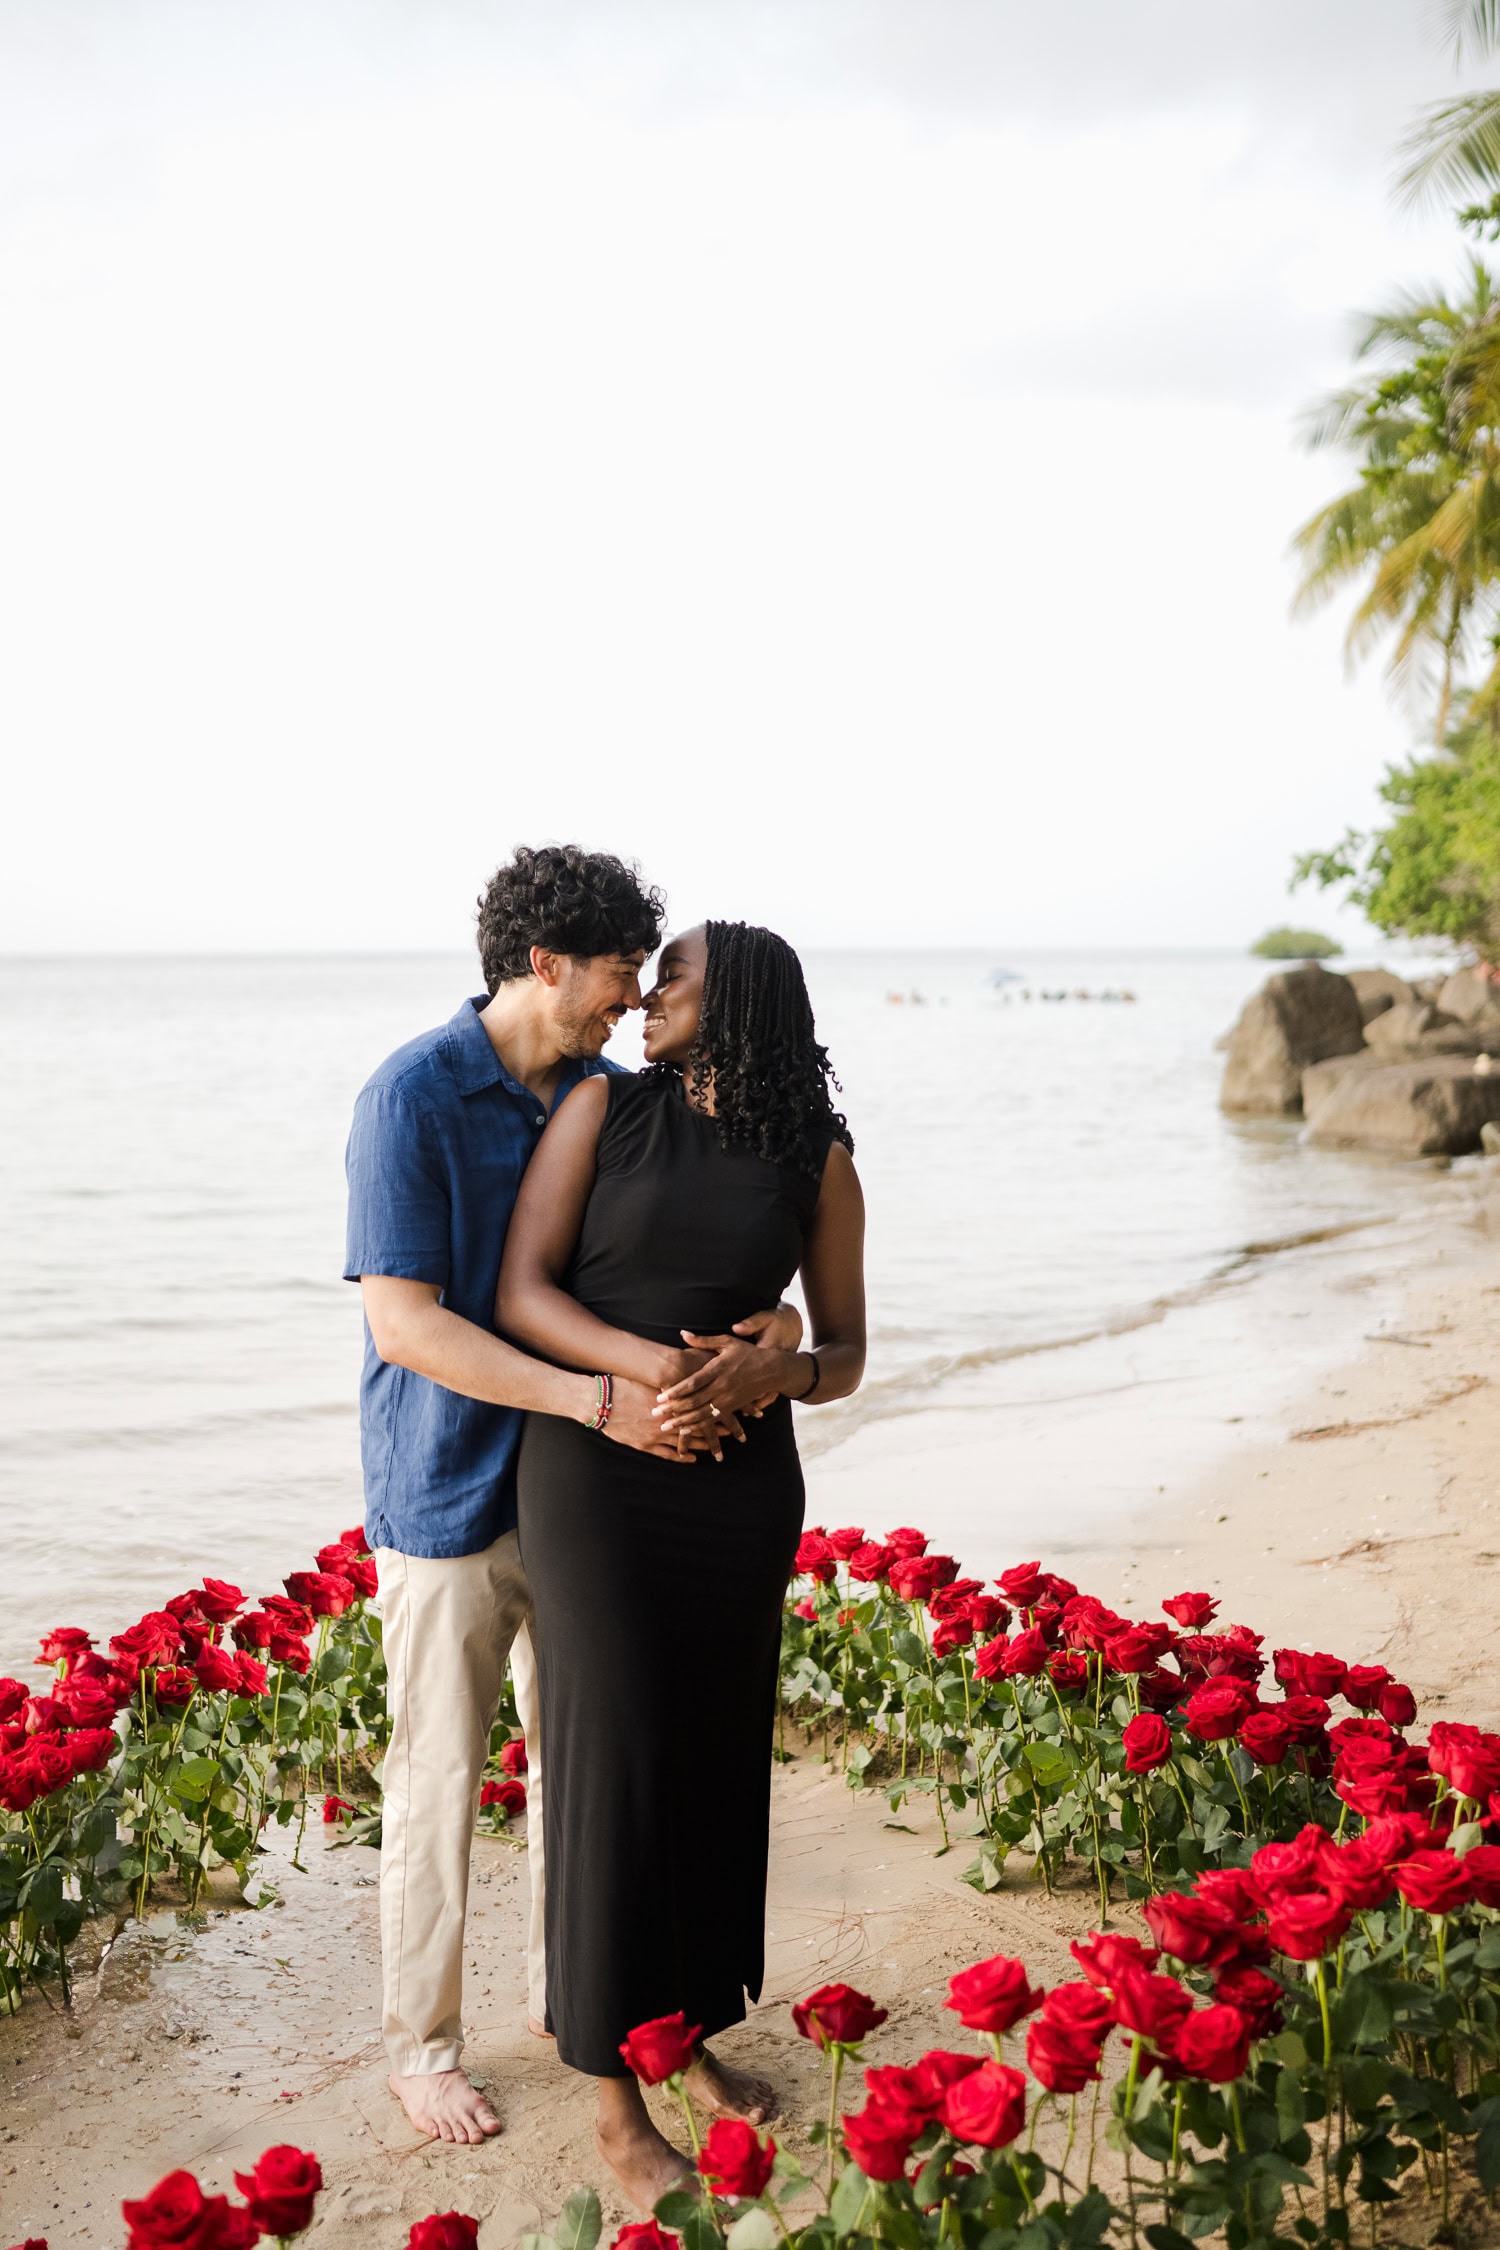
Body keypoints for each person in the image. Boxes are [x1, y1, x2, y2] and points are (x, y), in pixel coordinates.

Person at [344, 849, 801, 2148]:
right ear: (545, 962)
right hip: (448, 1493)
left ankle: (575, 2001)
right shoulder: (412, 1097)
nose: (630, 998)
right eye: (616, 975)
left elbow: (665, 1252)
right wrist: (595, 1399)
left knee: (584, 1774)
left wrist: (766, 1333)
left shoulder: (605, 1095)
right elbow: (411, 1326)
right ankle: (422, 2045)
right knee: (439, 1771)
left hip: (589, 1505)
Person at [497, 919, 867, 2210]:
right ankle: (612, 2097)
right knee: (615, 1763)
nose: (651, 990)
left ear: (746, 994)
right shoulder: (601, 1107)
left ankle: (689, 2026)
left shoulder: (816, 1157)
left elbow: (850, 1350)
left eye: (679, 972)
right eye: (649, 973)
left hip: (741, 1488)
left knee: (711, 1757)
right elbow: (524, 1292)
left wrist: (783, 1365)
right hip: (598, 1470)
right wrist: (656, 1373)